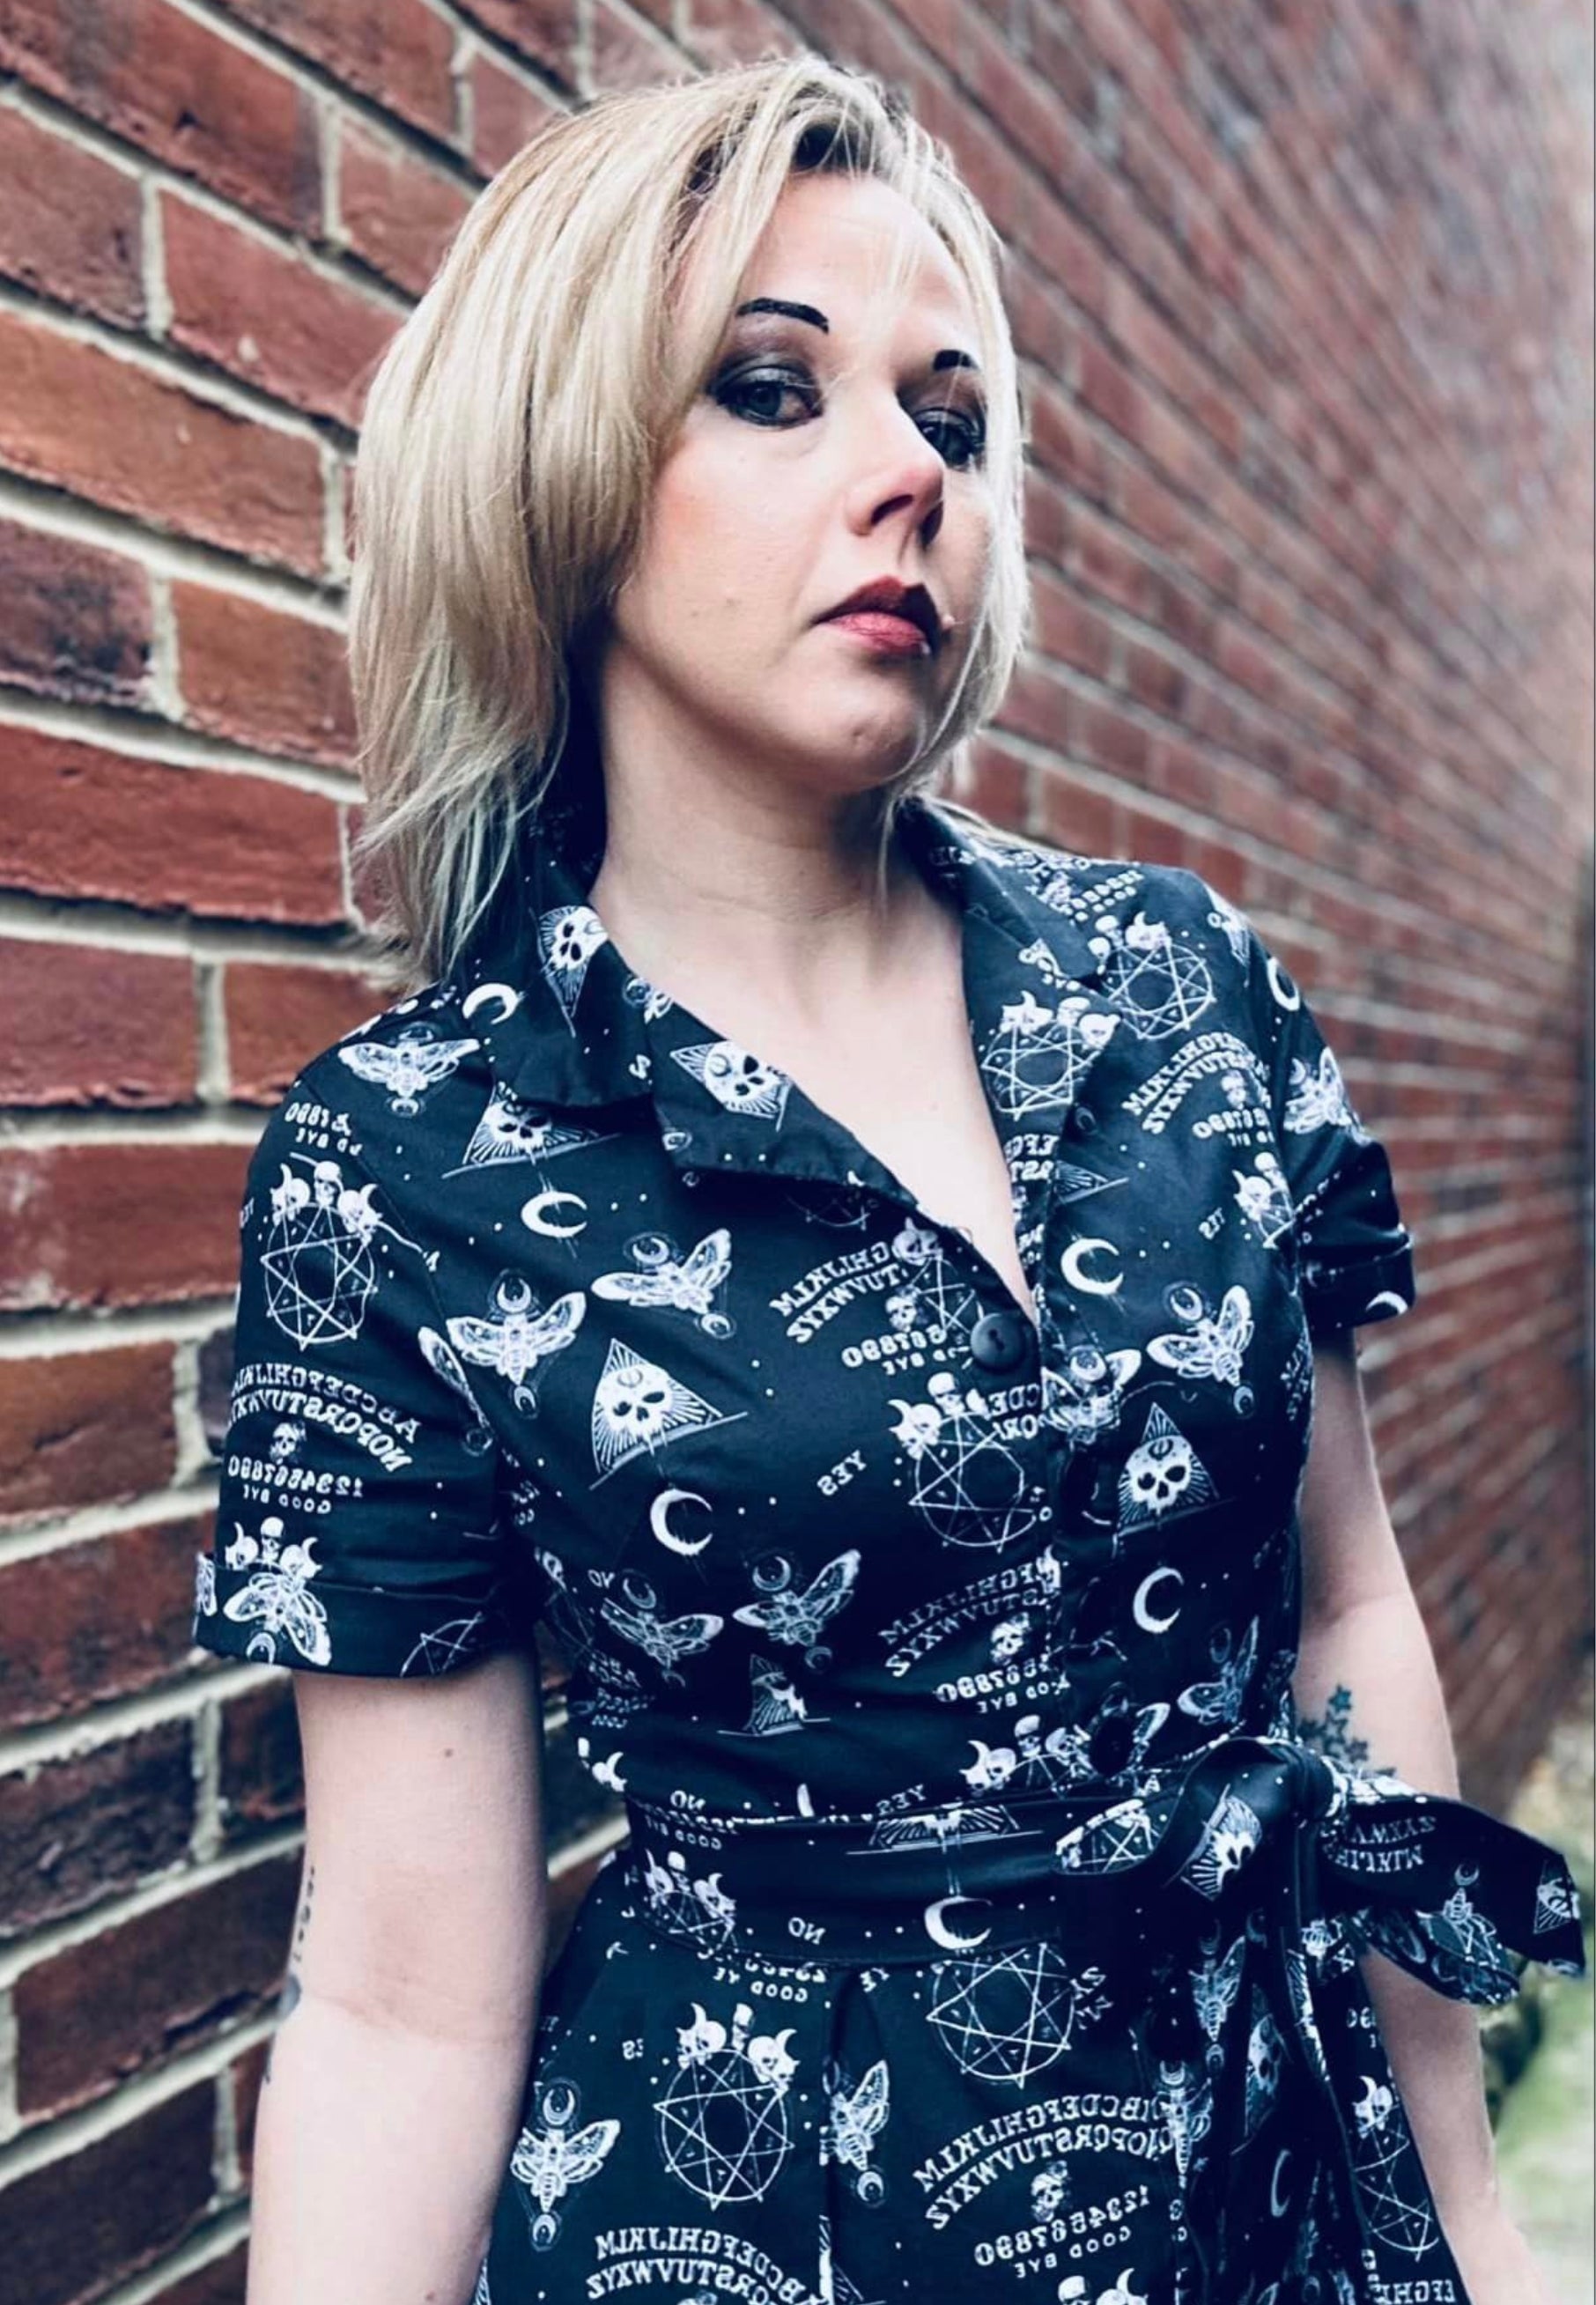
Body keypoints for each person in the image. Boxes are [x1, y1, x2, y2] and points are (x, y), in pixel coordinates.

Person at [188, 53, 1585, 2305]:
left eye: (955, 416)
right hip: (767, 2222)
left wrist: (1471, 2202)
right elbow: (398, 1996)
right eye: (772, 388)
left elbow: (1345, 1613)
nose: (907, 477)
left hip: (1276, 2185)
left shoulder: (1179, 991)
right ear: (560, 462)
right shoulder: (408, 1162)